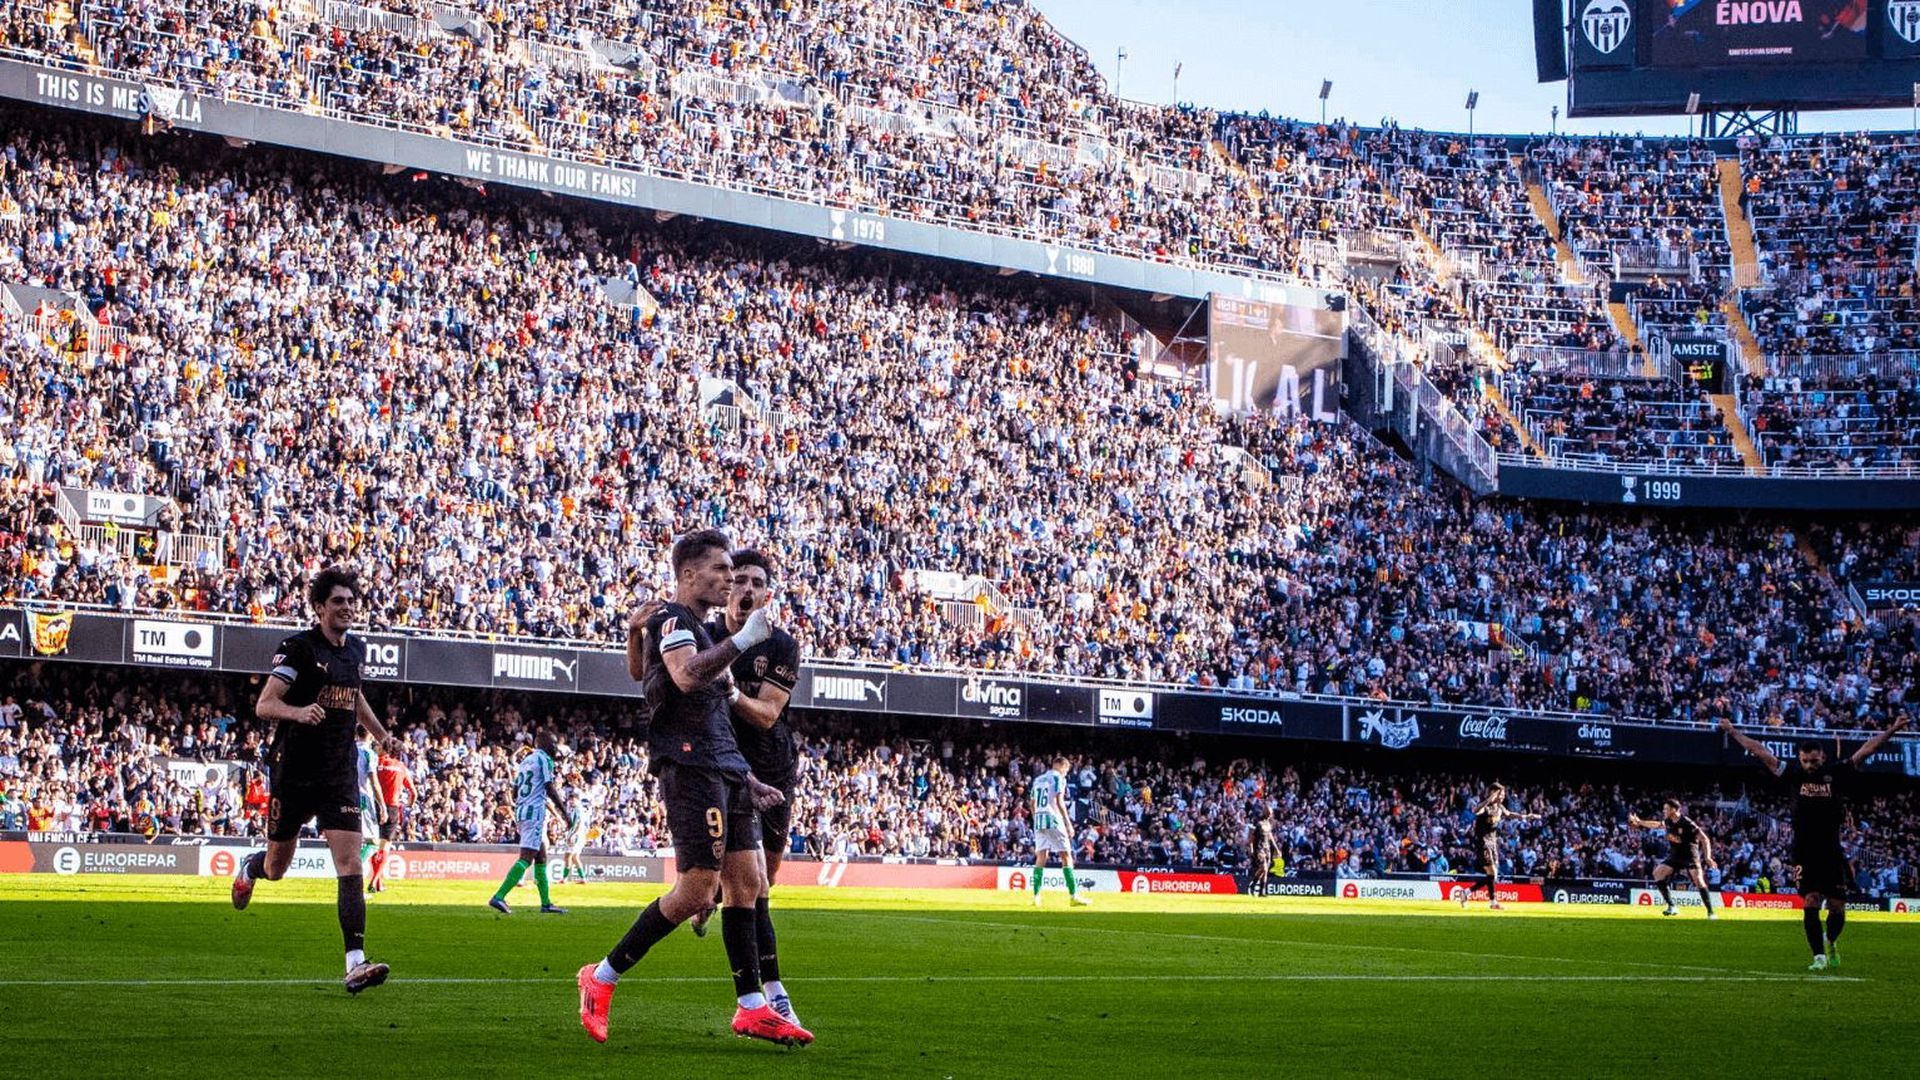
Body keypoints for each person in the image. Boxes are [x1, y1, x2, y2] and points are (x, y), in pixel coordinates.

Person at [575, 530, 811, 1047]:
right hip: (690, 766)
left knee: (748, 883)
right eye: (722, 570)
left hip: (723, 767)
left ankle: (751, 1006)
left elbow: (711, 713)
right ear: (688, 575)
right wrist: (744, 639)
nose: (729, 579)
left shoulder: (699, 629)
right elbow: (684, 678)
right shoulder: (674, 620)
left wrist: (746, 777)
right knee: (697, 891)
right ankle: (602, 976)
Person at [228, 566, 397, 994]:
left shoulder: (355, 651)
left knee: (350, 863)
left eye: (350, 601)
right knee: (276, 867)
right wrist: (298, 713)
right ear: (319, 607)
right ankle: (252, 866)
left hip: (338, 772)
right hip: (295, 770)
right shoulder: (299, 649)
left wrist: (380, 735)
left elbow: (353, 695)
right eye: (337, 601)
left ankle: (355, 963)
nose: (346, 607)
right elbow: (266, 705)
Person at [681, 549, 806, 1022]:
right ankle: (771, 996)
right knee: (749, 885)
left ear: (767, 594)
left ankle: (715, 897)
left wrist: (729, 689)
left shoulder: (780, 645)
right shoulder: (708, 639)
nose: (747, 589)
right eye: (740, 581)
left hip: (772, 769)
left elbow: (769, 713)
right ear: (727, 589)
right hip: (726, 769)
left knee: (763, 882)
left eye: (757, 582)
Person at [1721, 713, 1910, 970]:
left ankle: (1830, 940)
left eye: (1814, 760)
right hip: (1804, 850)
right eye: (1805, 761)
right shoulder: (1794, 774)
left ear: (1822, 758)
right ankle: (1818, 957)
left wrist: (1893, 729)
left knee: (1838, 907)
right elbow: (1760, 751)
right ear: (1801, 759)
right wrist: (1732, 732)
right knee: (1810, 900)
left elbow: (1868, 749)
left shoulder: (1836, 773)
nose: (1810, 765)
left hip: (1831, 850)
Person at [489, 731, 574, 915]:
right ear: (544, 744)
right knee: (527, 857)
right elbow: (549, 786)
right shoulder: (544, 759)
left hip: (522, 811)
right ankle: (499, 896)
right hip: (533, 813)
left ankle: (546, 904)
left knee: (541, 857)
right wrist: (565, 813)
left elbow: (517, 787)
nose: (555, 747)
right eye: (552, 743)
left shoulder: (526, 760)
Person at [1628, 799, 1716, 918]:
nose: (1664, 811)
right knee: (1657, 873)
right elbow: (1657, 825)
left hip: (1690, 856)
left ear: (1674, 809)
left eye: (1666, 809)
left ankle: (1711, 912)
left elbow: (1704, 839)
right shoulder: (1668, 821)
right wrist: (1640, 822)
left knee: (1699, 880)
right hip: (1675, 856)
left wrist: (1708, 857)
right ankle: (1672, 906)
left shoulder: (1687, 823)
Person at [1461, 783, 1537, 911]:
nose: (1502, 796)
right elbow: (1475, 810)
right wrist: (1489, 800)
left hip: (1493, 842)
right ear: (1492, 793)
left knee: (1493, 876)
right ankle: (1493, 902)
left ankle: (1467, 893)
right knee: (1493, 872)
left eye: (1502, 794)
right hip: (1482, 842)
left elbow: (1510, 814)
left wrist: (1525, 817)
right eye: (1499, 793)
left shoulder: (1500, 807)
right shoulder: (1486, 807)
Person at [1029, 756, 1089, 907]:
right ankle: (1073, 896)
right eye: (1066, 770)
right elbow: (1059, 801)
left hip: (1039, 819)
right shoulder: (1058, 778)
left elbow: (1031, 803)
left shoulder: (1038, 779)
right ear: (1061, 766)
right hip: (1053, 818)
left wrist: (1036, 817)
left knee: (1041, 857)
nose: (1066, 773)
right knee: (1066, 856)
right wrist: (1068, 824)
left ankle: (1036, 897)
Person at [354, 730, 390, 894]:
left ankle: (352, 884)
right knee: (374, 842)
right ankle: (355, 875)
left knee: (355, 840)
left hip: (347, 796)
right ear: (370, 734)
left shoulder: (350, 749)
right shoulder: (369, 753)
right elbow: (374, 782)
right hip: (363, 798)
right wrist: (382, 805)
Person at [558, 772, 596, 884]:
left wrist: (572, 834)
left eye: (572, 800)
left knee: (567, 856)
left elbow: (578, 822)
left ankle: (564, 878)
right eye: (570, 800)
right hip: (580, 834)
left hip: (576, 834)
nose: (570, 801)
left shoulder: (578, 808)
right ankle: (583, 878)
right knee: (575, 857)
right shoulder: (580, 807)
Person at [1248, 803, 1279, 898]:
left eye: (1271, 813)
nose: (1270, 815)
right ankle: (1253, 885)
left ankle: (1261, 892)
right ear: (1265, 812)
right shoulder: (1258, 822)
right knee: (1263, 867)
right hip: (1259, 848)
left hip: (1267, 849)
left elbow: (1270, 837)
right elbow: (1251, 837)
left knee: (1265, 871)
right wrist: (1251, 848)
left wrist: (1276, 849)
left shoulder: (1268, 823)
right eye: (1269, 813)